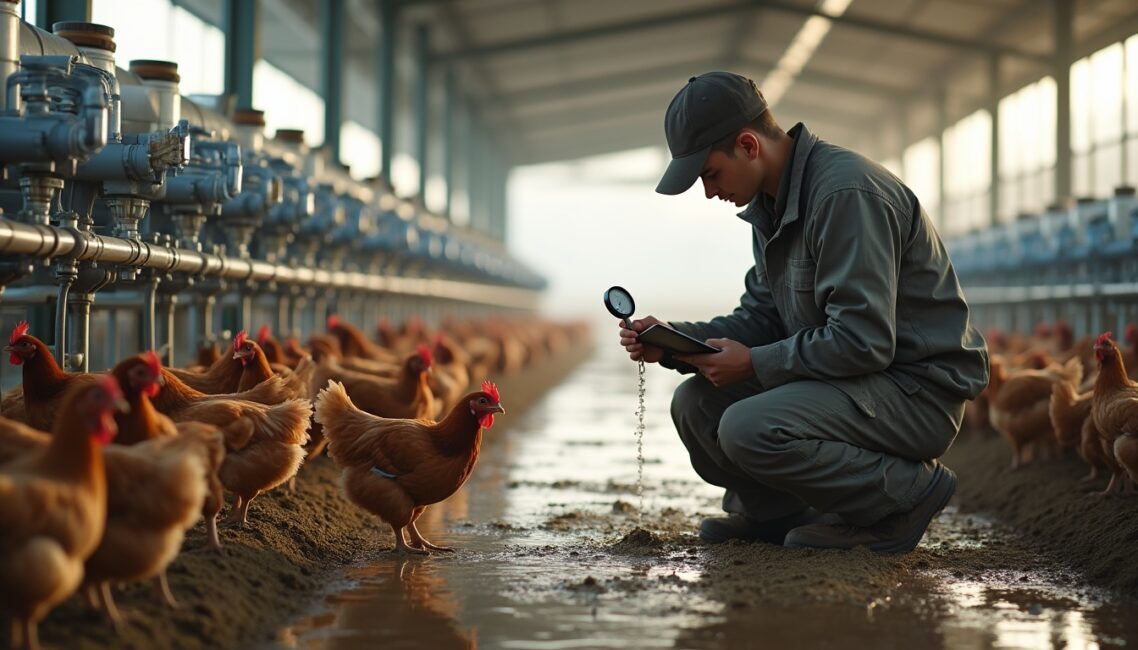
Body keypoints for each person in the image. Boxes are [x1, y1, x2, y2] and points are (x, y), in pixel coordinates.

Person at [618, 71, 988, 553]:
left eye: (709, 174)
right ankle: (777, 512)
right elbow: (762, 317)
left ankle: (905, 497)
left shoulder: (844, 195)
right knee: (696, 406)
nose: (708, 193)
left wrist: (753, 363)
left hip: (913, 392)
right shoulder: (771, 205)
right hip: (853, 381)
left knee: (747, 427)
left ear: (749, 146)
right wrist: (673, 341)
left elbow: (864, 340)